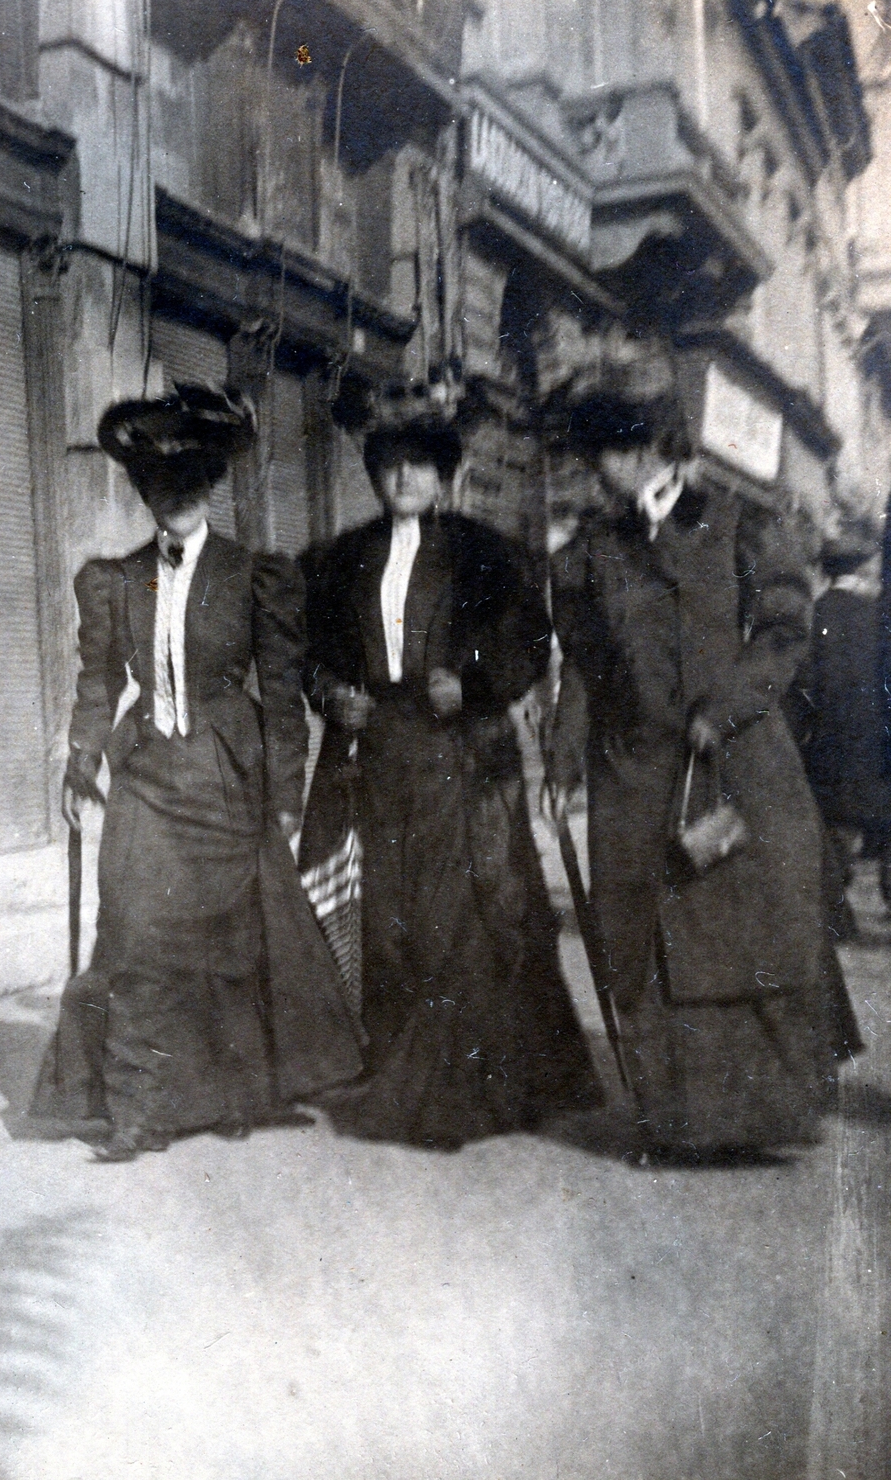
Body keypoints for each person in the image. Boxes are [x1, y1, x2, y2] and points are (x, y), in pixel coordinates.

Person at [35, 385, 361, 1161]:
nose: (170, 495)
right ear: (143, 489)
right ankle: (135, 1112)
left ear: (209, 483)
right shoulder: (113, 581)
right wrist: (81, 758)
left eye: (186, 480)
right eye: (155, 482)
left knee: (228, 943)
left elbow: (281, 699)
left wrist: (286, 795)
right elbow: (97, 685)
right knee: (137, 932)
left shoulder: (256, 576)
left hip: (227, 773)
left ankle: (230, 1091)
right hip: (148, 775)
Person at [547, 393, 862, 1157]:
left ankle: (758, 1118)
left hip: (740, 763)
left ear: (653, 450)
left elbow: (785, 631)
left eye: (615, 454)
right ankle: (675, 1124)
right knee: (647, 943)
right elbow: (585, 669)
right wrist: (563, 757)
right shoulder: (588, 555)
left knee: (743, 935)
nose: (604, 473)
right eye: (596, 459)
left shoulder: (741, 524)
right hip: (634, 773)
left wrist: (722, 710)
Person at [300, 388, 598, 1149]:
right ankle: (390, 1062)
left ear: (442, 475)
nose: (404, 478)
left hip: (459, 751)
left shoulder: (483, 550)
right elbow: (313, 654)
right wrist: (333, 693)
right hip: (376, 753)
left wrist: (470, 683)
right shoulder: (341, 558)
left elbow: (529, 644)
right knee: (386, 917)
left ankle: (456, 1093)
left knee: (454, 919)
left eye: (420, 465)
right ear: (375, 474)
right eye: (392, 465)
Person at [789, 531, 890, 935]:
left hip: (832, 740)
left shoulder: (815, 614)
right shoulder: (878, 616)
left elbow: (805, 682)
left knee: (835, 828)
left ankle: (835, 912)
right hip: (879, 739)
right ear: (864, 567)